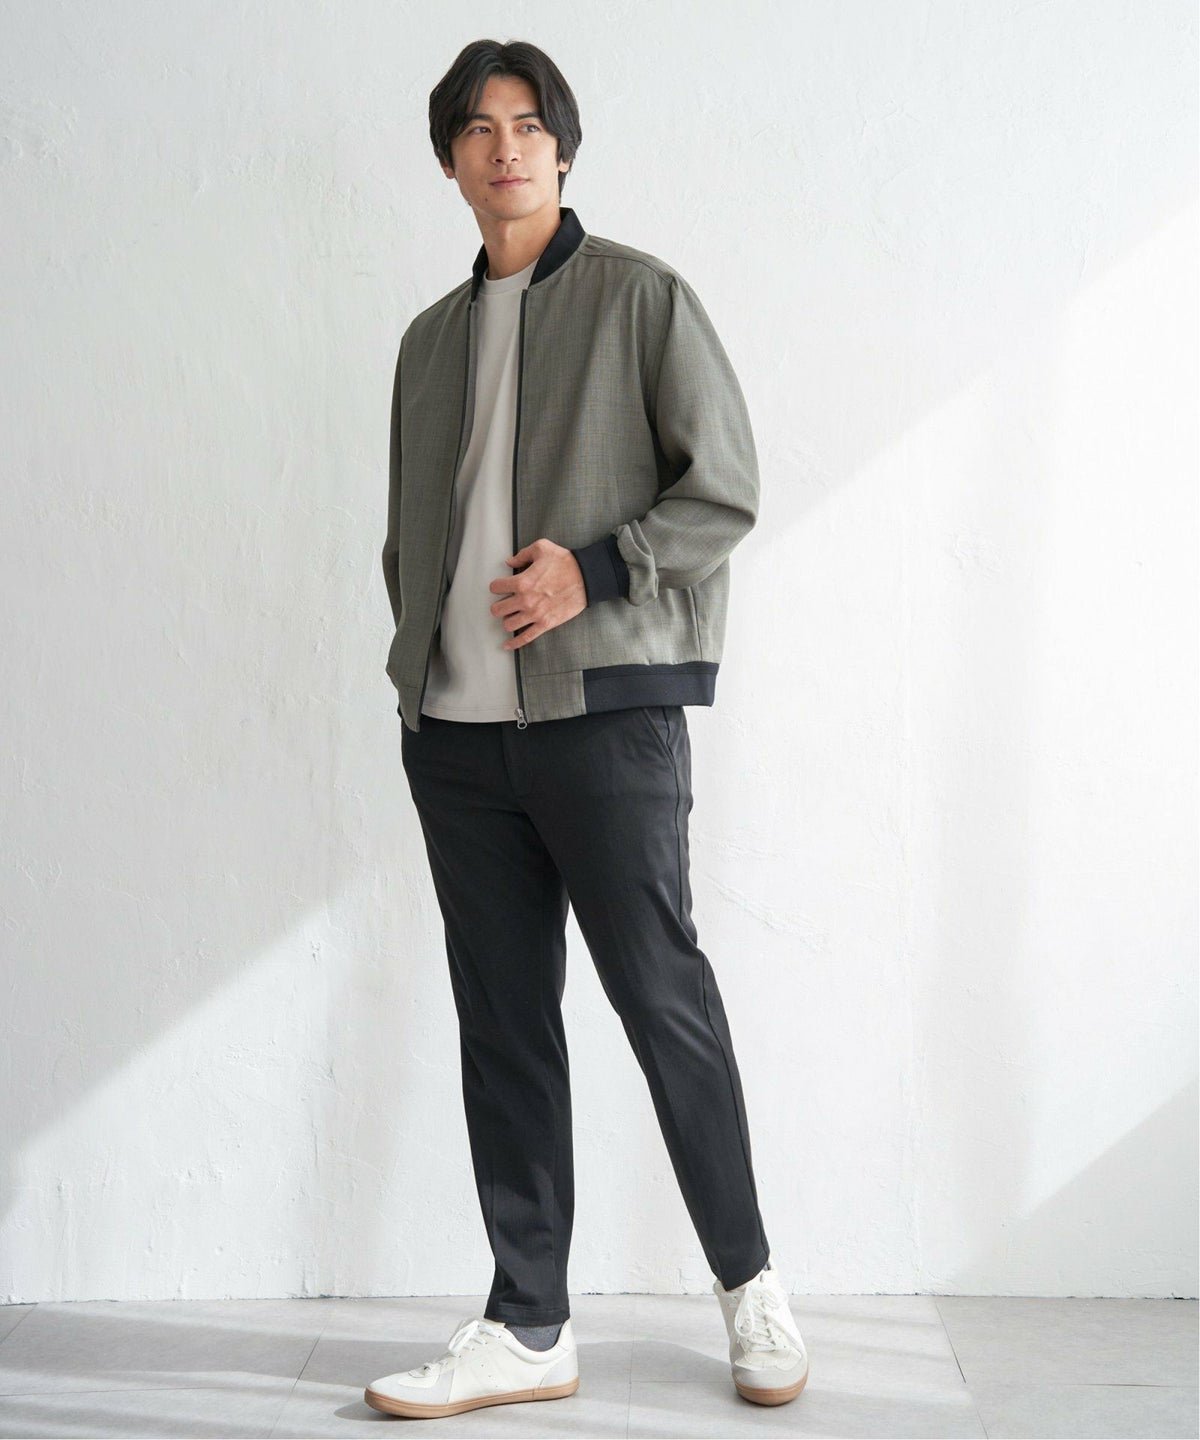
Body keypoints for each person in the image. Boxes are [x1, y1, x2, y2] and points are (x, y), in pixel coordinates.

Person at [365, 37, 809, 1421]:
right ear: (451, 160)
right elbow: (414, 534)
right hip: (455, 739)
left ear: (563, 148)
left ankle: (751, 1288)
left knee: (662, 999)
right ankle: (529, 1322)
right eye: (477, 128)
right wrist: (420, 661)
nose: (505, 147)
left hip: (602, 721)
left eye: (528, 124)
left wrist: (597, 570)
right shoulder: (427, 343)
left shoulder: (639, 298)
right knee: (503, 1027)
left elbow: (724, 488)